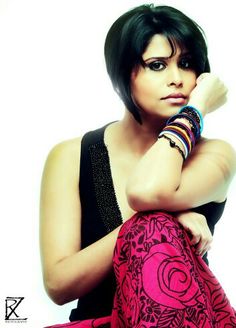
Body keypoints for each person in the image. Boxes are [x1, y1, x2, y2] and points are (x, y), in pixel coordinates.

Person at [40, 4, 236, 328]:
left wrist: (196, 109)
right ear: (121, 71)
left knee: (154, 226)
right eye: (157, 65)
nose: (176, 79)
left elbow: (147, 190)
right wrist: (167, 216)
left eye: (186, 64)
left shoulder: (214, 155)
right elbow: (59, 285)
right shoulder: (72, 156)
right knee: (153, 223)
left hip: (181, 321)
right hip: (98, 321)